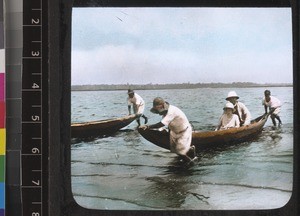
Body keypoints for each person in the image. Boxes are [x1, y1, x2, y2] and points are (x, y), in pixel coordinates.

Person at [139, 97, 197, 164]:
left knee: (180, 152)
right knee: (174, 150)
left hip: (184, 131)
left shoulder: (171, 111)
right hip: (175, 132)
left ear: (162, 106)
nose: (158, 113)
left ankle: (191, 163)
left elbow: (161, 124)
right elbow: (169, 124)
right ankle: (190, 149)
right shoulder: (165, 113)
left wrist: (147, 126)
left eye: (158, 110)